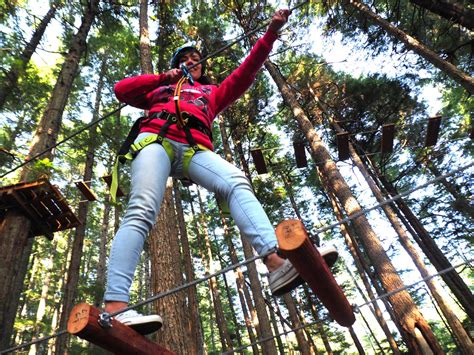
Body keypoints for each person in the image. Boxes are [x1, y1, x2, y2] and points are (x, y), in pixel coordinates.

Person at [104, 9, 338, 335]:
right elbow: (121, 89)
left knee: (236, 181)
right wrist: (164, 78)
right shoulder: (159, 90)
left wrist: (270, 33)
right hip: (155, 141)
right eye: (185, 58)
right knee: (142, 210)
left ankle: (275, 263)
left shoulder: (210, 94)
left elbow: (246, 73)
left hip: (194, 149)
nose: (192, 61)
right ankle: (115, 306)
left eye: (196, 59)